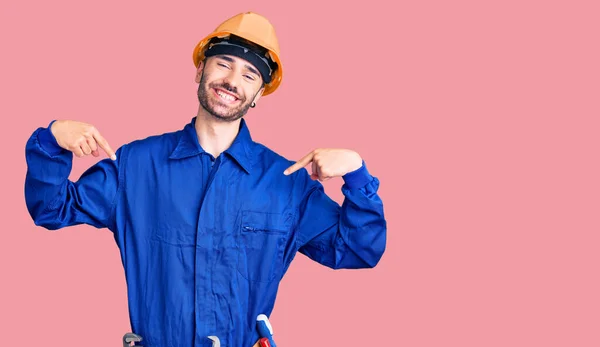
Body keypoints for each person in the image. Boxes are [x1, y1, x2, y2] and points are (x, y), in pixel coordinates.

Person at [24, 11, 387, 347]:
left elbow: (357, 249)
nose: (232, 80)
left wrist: (356, 174)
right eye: (223, 64)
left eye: (249, 74)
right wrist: (53, 140)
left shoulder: (286, 182)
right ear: (200, 69)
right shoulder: (136, 166)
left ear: (259, 94)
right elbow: (52, 209)